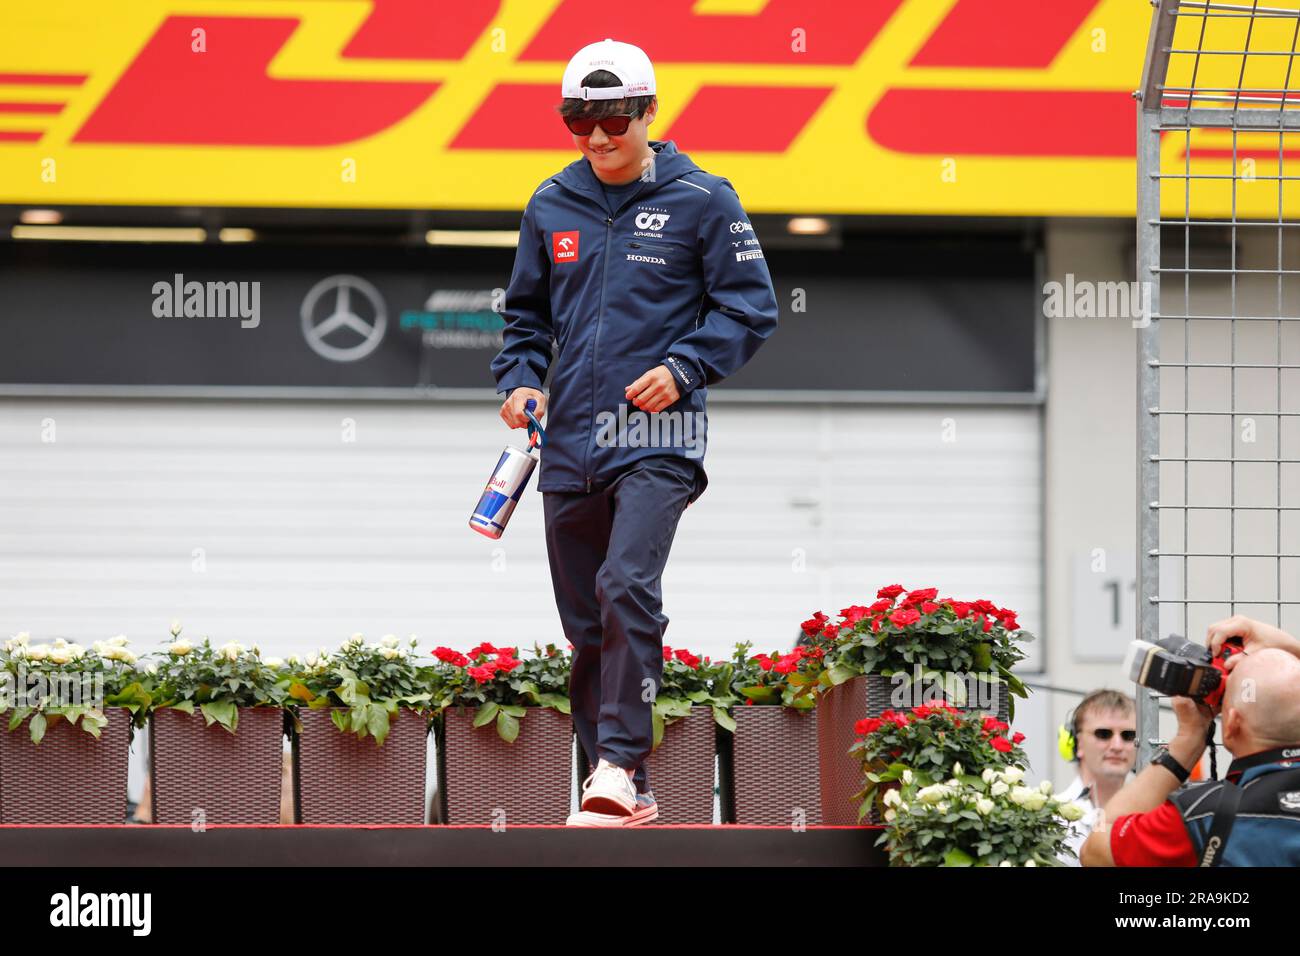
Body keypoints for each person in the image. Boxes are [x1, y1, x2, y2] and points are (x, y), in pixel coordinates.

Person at [490, 38, 779, 827]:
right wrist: (518, 379)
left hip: (659, 440)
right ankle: (626, 786)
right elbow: (525, 319)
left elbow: (752, 308)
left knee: (626, 586)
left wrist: (686, 367)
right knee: (586, 623)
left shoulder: (705, 198)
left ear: (650, 112)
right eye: (578, 122)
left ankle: (618, 762)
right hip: (568, 449)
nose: (596, 139)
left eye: (613, 121)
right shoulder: (551, 202)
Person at [1081, 616, 1300, 866]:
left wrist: (1188, 739)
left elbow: (1096, 849)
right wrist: (1292, 648)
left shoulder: (1203, 817)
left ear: (1232, 724)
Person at [1055, 689, 1137, 865]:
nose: (1117, 745)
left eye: (1128, 736)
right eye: (1103, 734)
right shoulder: (1050, 818)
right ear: (1077, 743)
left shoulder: (1151, 815)